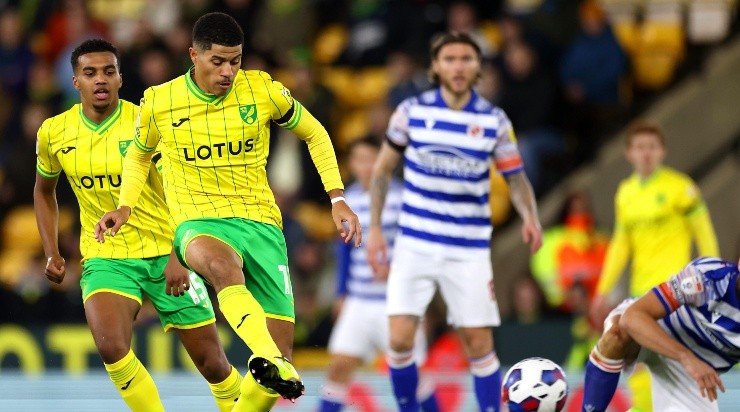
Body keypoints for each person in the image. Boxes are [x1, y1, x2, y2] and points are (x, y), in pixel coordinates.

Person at [93, 13, 361, 411]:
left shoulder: (262, 91)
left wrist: (337, 198)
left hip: (262, 225)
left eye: (235, 61)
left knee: (276, 373)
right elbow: (138, 156)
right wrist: (126, 205)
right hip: (198, 221)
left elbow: (315, 132)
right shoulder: (160, 101)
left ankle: (273, 360)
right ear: (193, 55)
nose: (228, 71)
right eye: (217, 61)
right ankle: (268, 355)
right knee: (222, 270)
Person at [34, 38, 241, 412]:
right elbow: (43, 191)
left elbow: (183, 189)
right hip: (106, 255)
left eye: (109, 72)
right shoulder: (54, 132)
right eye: (90, 72)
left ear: (120, 79)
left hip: (167, 254)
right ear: (75, 82)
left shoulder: (148, 123)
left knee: (214, 365)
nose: (101, 79)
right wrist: (52, 251)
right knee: (111, 347)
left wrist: (182, 253)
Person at [366, 32, 543, 411]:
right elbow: (382, 171)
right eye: (450, 59)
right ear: (435, 67)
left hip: (468, 250)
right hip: (415, 243)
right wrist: (377, 228)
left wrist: (530, 216)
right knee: (398, 341)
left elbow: (515, 177)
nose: (458, 66)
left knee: (479, 343)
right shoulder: (411, 111)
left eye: (466, 58)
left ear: (478, 67)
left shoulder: (494, 120)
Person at [588, 120, 719, 411]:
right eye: (639, 147)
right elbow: (621, 244)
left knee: (669, 371)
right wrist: (602, 290)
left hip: (677, 296)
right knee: (632, 363)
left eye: (651, 147)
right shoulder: (625, 193)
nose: (646, 153)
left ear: (662, 151)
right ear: (628, 153)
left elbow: (704, 233)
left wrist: (711, 284)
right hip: (640, 294)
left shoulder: (681, 188)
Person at [318, 136, 439, 411]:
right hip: (359, 301)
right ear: (352, 164)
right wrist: (341, 293)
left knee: (411, 376)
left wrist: (398, 270)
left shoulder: (404, 197)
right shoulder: (349, 201)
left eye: (373, 159)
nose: (367, 166)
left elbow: (421, 246)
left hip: (397, 302)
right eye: (361, 160)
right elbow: (344, 250)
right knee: (338, 367)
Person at [582, 256, 739, 411]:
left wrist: (689, 360)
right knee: (616, 335)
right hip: (655, 328)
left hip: (693, 376)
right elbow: (632, 317)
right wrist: (685, 356)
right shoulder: (707, 275)